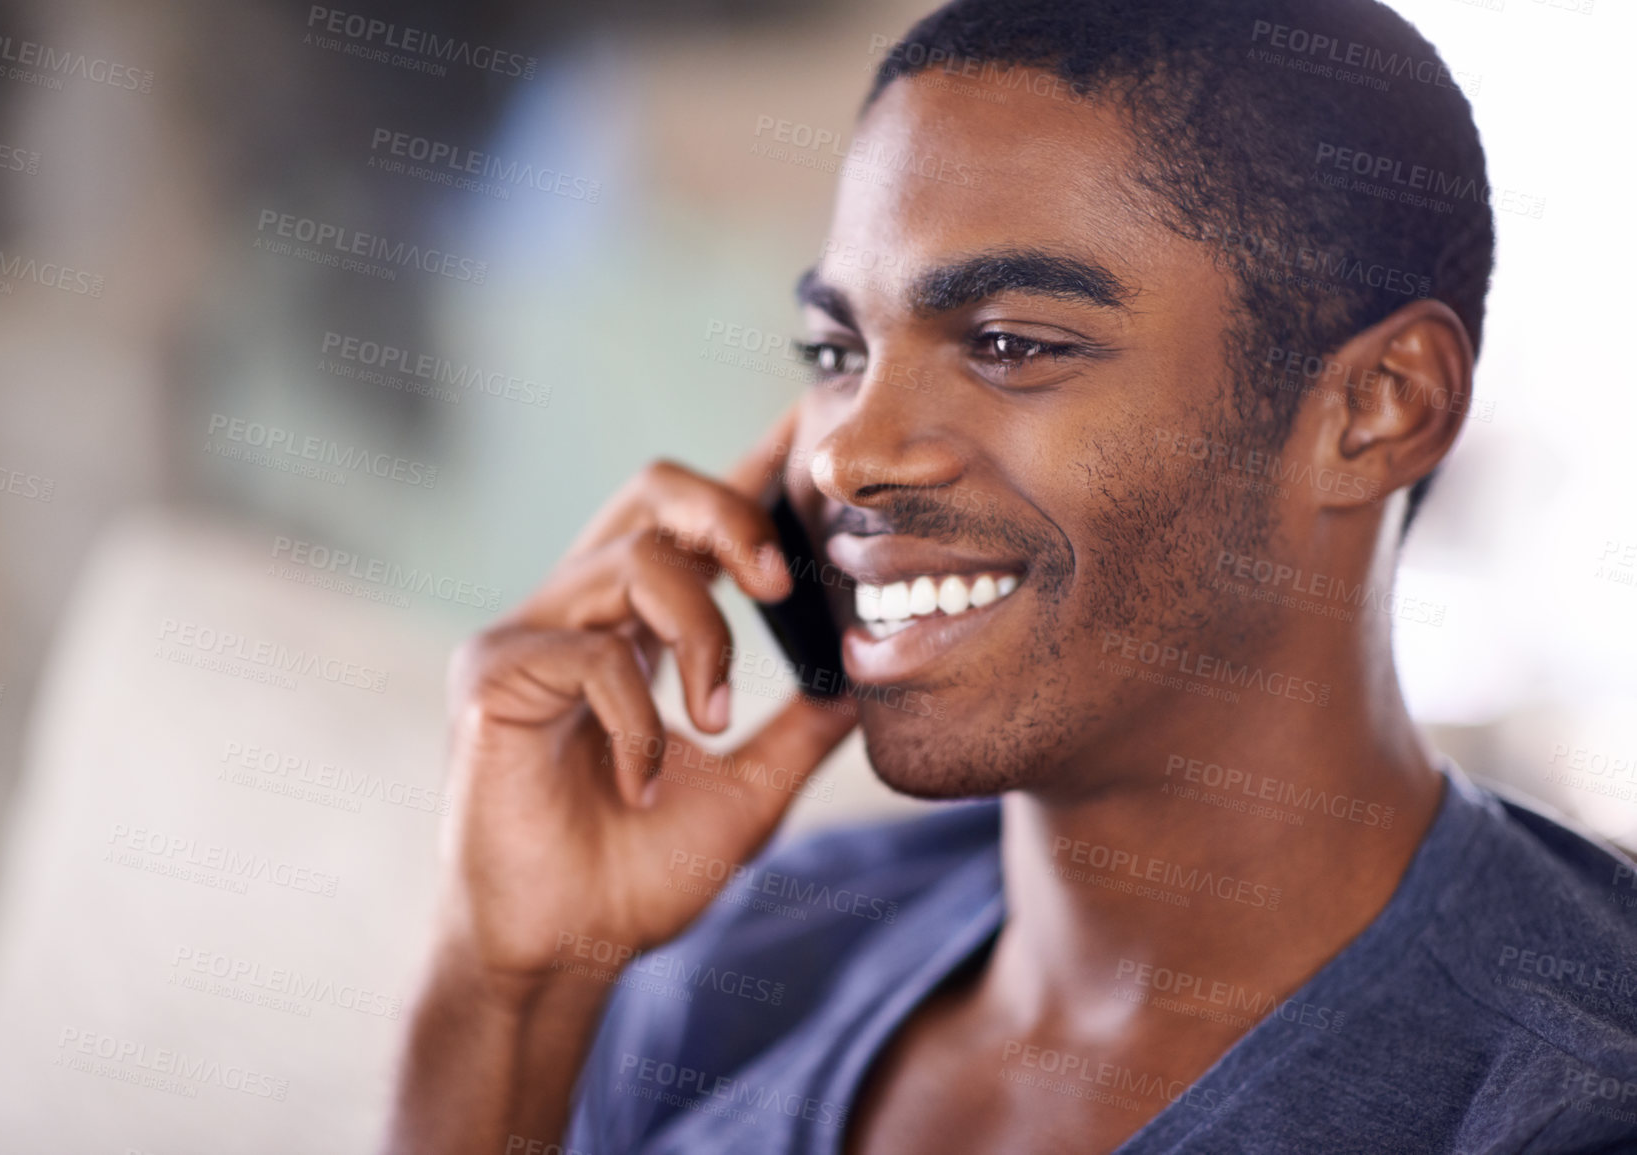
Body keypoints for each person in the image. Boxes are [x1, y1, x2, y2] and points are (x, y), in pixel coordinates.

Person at [388, 1, 1637, 1151]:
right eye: (837, 347)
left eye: (1008, 345)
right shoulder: (763, 953)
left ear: (1377, 408)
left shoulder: (1566, 1100)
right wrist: (512, 990)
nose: (850, 458)